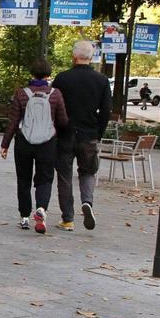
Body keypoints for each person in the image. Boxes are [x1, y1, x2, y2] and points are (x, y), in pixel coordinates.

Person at [0, 58, 69, 233]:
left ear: (32, 73)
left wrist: (5, 144)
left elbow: (13, 121)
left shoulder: (21, 93)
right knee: (45, 178)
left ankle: (24, 217)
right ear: (48, 74)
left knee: (23, 179)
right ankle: (41, 209)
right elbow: (62, 121)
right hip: (47, 142)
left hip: (24, 141)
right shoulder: (55, 94)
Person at [52, 40, 112, 232]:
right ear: (92, 57)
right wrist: (99, 132)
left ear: (74, 56)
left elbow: (53, 105)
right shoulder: (102, 80)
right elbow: (106, 110)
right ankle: (87, 202)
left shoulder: (62, 78)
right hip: (89, 133)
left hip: (65, 132)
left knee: (64, 175)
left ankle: (67, 219)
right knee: (87, 171)